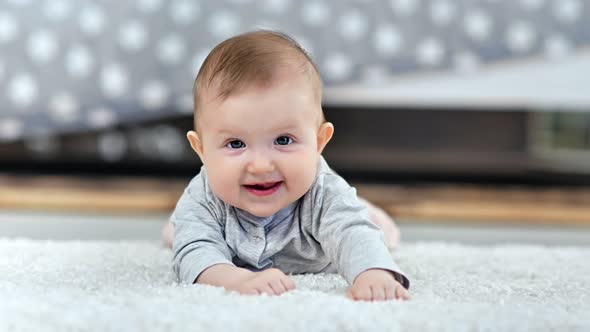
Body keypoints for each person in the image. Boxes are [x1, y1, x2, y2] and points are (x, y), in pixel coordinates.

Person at [168, 30, 410, 301]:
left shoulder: (324, 193)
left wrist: (372, 273)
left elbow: (352, 233)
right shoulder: (203, 196)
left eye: (283, 140)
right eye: (235, 144)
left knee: (372, 229)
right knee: (182, 232)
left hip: (331, 230)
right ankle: (178, 224)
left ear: (319, 142)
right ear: (201, 150)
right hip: (206, 223)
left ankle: (367, 210)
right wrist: (235, 278)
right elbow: (194, 253)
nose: (260, 166)